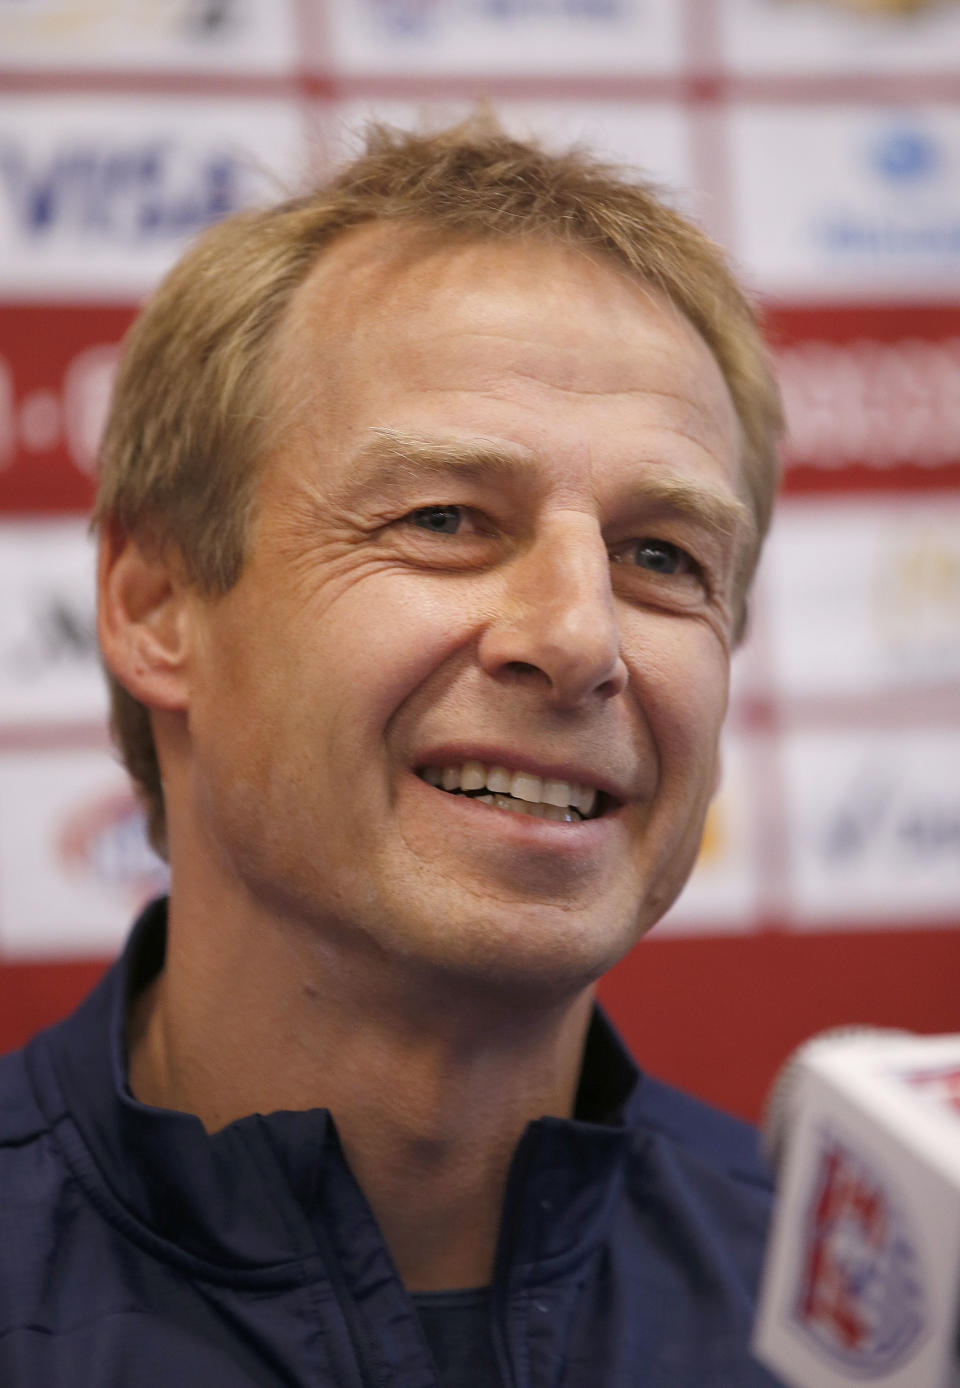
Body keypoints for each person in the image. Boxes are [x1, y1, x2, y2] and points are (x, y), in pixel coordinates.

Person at [0, 119, 785, 1386]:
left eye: (661, 557)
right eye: (444, 518)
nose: (581, 638)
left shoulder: (851, 1320)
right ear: (156, 606)